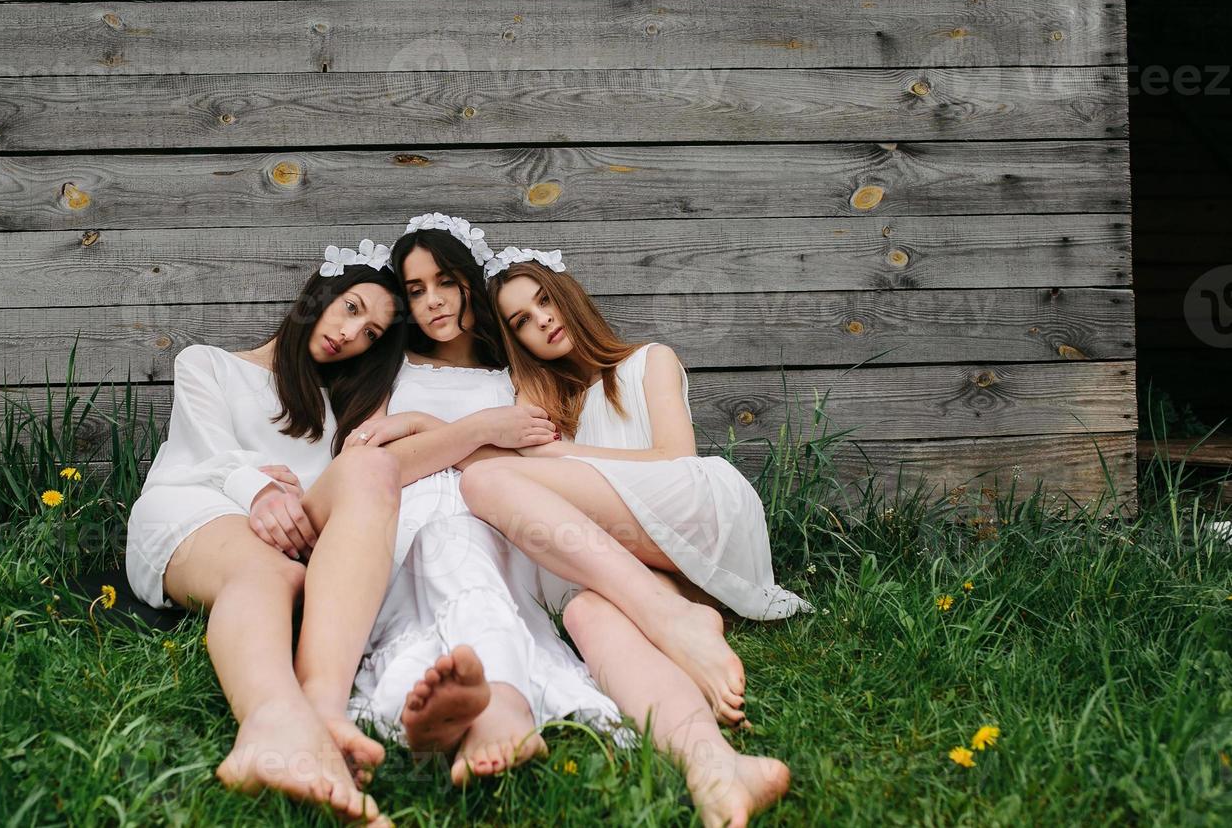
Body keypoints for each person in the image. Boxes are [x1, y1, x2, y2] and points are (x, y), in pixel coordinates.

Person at [465, 247, 810, 826]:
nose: (541, 321)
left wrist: (559, 453)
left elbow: (673, 457)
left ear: (568, 296)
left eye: (544, 301)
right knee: (587, 616)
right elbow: (478, 443)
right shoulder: (547, 407)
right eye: (521, 321)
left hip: (696, 511)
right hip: (631, 557)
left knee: (485, 479)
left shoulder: (647, 361)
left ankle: (673, 618)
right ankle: (714, 765)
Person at [124, 239, 404, 825]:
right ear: (320, 294)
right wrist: (260, 492)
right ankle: (272, 722)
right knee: (268, 571)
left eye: (372, 333)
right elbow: (207, 455)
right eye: (351, 308)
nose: (353, 334)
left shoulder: (339, 412)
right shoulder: (208, 363)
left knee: (371, 467)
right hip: (194, 509)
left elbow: (342, 491)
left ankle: (320, 710)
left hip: (290, 533)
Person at [339, 213, 625, 784]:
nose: (434, 302)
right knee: (428, 562)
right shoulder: (391, 370)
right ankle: (480, 706)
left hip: (496, 519)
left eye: (446, 281)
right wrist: (478, 430)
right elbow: (368, 467)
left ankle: (443, 708)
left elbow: (538, 467)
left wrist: (432, 436)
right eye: (416, 291)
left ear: (469, 280)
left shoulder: (513, 373)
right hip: (404, 515)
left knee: (459, 542)